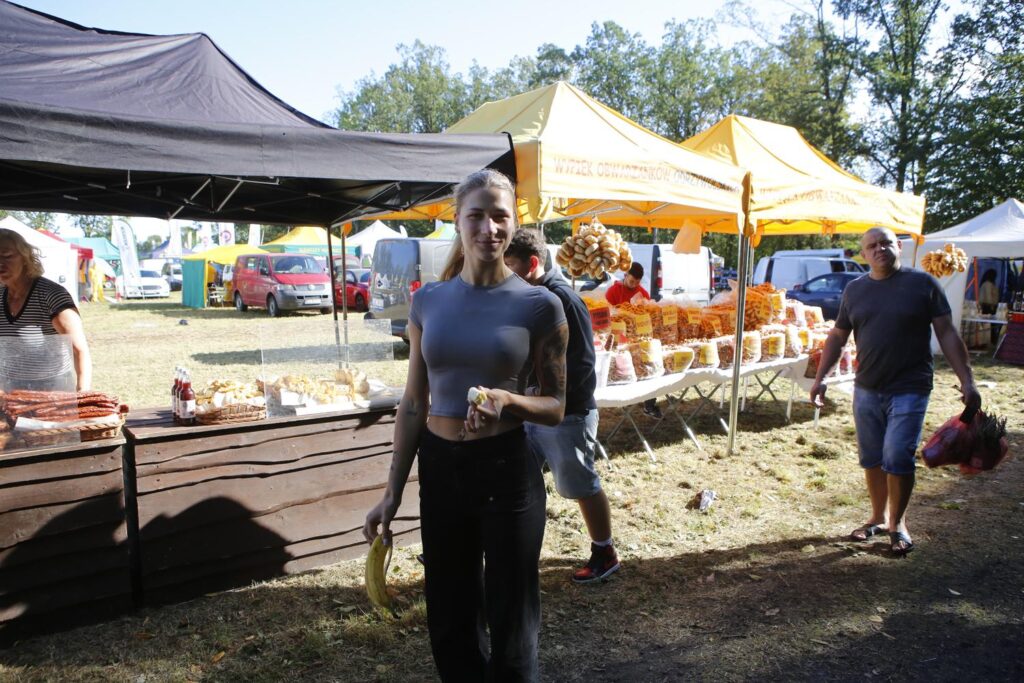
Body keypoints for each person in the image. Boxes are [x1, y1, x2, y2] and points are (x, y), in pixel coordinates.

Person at [363, 169, 568, 682]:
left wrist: (508, 400)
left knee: (512, 619)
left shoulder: (541, 306)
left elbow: (557, 406)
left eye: (500, 216)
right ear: (457, 220)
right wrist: (391, 492)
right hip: (440, 469)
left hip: (505, 470)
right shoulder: (428, 301)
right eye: (475, 215)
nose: (488, 228)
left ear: (513, 223)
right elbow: (414, 403)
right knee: (450, 619)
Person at [810, 227, 980, 556]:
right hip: (867, 387)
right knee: (872, 457)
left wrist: (967, 381)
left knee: (898, 455)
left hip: (910, 387)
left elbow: (946, 332)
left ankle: (897, 523)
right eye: (872, 246)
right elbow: (838, 335)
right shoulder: (855, 290)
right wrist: (821, 377)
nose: (879, 249)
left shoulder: (923, 284)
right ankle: (877, 517)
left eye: (886, 243)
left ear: (898, 246)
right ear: (863, 254)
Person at [504, 228, 620, 584]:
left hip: (566, 414)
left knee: (579, 484)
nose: (504, 275)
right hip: (532, 411)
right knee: (520, 480)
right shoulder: (529, 295)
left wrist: (559, 402)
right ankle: (516, 549)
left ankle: (605, 551)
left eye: (509, 267)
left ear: (532, 264)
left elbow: (583, 362)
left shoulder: (562, 299)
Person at [0, 228, 92, 391]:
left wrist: (82, 394)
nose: (1, 263)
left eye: (7, 256)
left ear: (25, 257)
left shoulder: (51, 295)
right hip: (9, 395)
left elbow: (79, 350)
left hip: (53, 394)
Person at [604, 262, 662, 418]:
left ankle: (649, 405)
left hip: (639, 338)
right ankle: (618, 398)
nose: (634, 285)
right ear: (625, 275)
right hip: (619, 338)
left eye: (637, 282)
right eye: (631, 281)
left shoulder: (643, 293)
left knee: (648, 367)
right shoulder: (613, 291)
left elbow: (648, 316)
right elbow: (607, 312)